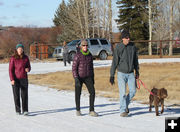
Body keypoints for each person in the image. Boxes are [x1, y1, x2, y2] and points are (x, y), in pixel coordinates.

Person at [110, 30, 139, 117]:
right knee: (122, 93)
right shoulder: (118, 47)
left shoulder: (132, 47)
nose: (128, 39)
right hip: (121, 74)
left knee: (133, 91)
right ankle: (123, 111)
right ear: (123, 38)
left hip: (130, 74)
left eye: (129, 37)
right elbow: (114, 62)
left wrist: (137, 71)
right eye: (126, 37)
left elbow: (135, 61)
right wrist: (112, 75)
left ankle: (125, 105)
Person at [72, 39, 98, 117]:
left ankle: (91, 110)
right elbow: (74, 68)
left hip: (88, 76)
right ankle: (78, 109)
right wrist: (76, 78)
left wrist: (92, 77)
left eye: (86, 45)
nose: (85, 47)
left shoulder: (89, 55)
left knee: (92, 92)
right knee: (78, 93)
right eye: (83, 45)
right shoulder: (78, 55)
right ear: (81, 46)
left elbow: (91, 67)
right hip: (79, 77)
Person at [9, 44, 31, 116]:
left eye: (21, 49)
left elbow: (29, 67)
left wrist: (28, 69)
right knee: (16, 95)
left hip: (24, 79)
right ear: (16, 50)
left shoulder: (26, 58)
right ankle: (18, 110)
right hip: (15, 79)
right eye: (19, 49)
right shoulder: (13, 58)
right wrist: (12, 79)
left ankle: (25, 110)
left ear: (23, 50)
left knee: (24, 95)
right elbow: (10, 70)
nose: (20, 50)